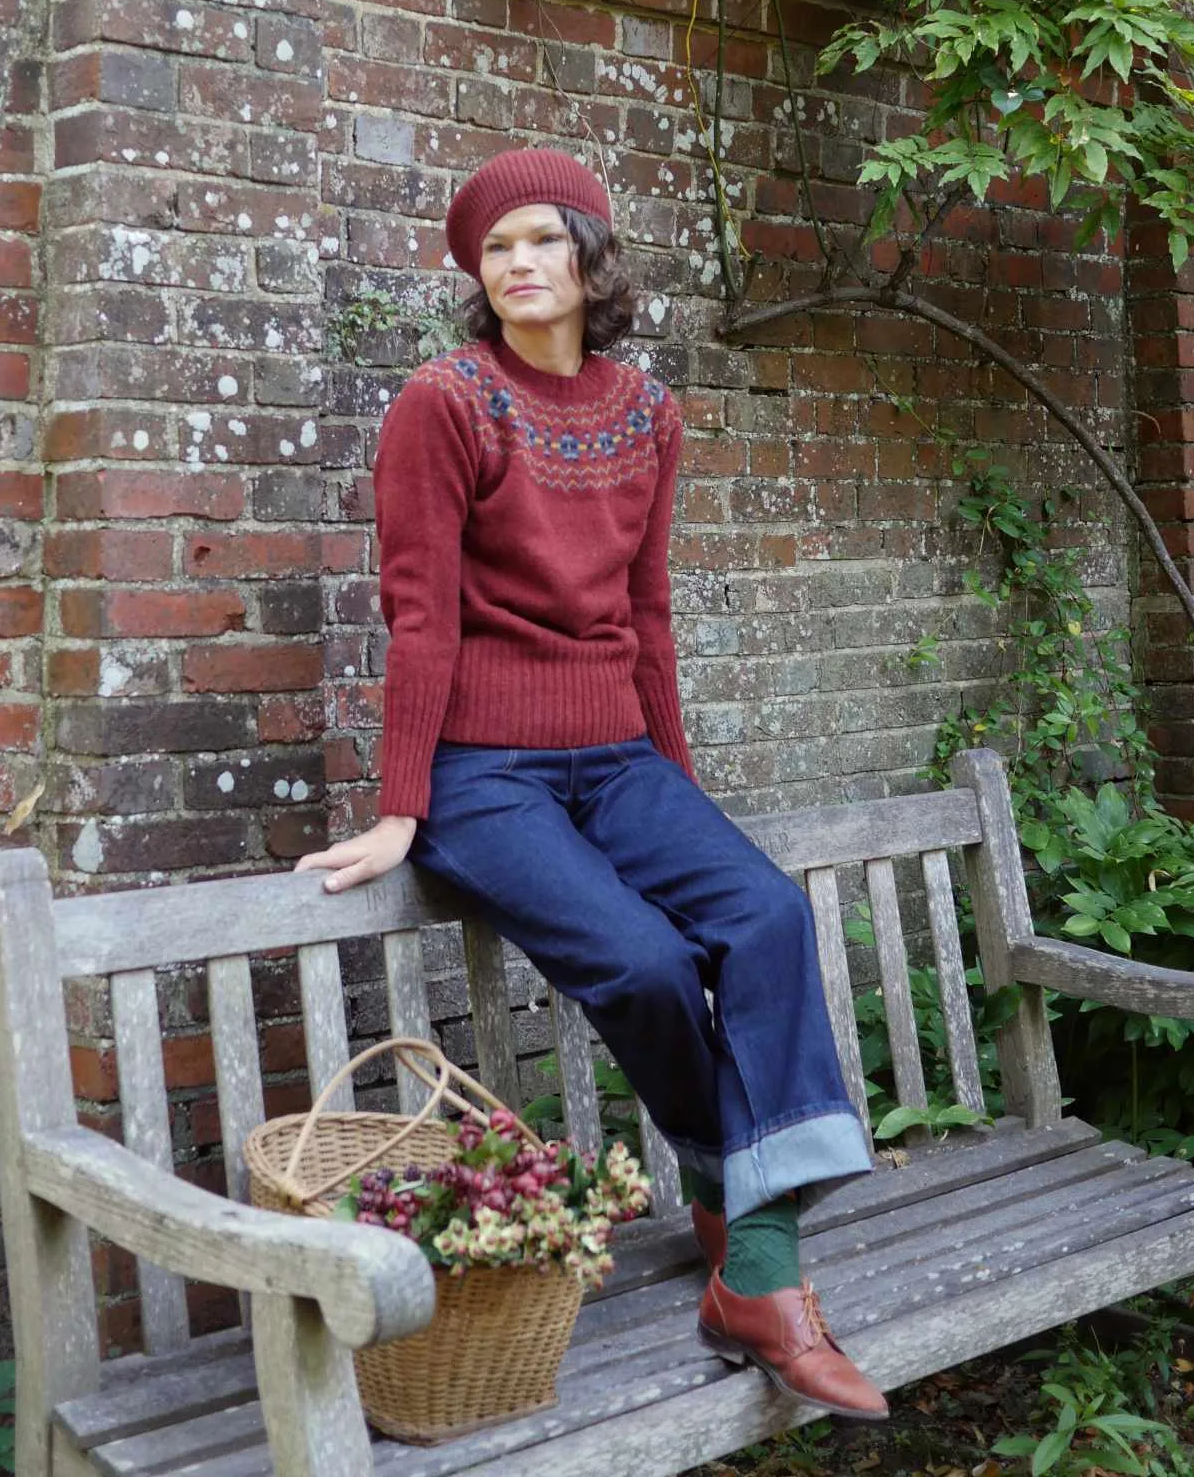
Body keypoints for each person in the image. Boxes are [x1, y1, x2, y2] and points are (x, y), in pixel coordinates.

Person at [295, 147, 888, 1421]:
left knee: (766, 913)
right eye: (492, 249)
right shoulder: (444, 404)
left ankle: (747, 1244)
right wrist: (403, 803)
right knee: (648, 963)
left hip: (618, 757)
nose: (516, 265)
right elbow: (420, 617)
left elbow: (647, 609)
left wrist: (674, 787)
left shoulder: (647, 411)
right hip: (481, 773)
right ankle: (758, 1258)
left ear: (585, 257)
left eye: (539, 241)